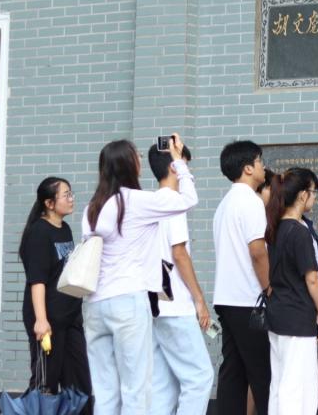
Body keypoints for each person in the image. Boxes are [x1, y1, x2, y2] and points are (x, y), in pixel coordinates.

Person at [82, 135, 198, 414]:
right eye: (137, 158)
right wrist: (178, 161)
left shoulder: (92, 208)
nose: (141, 163)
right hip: (128, 301)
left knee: (105, 392)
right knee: (136, 389)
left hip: (94, 303)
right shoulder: (137, 201)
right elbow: (188, 199)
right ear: (129, 165)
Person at [147, 145, 214, 415]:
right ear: (174, 167)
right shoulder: (173, 203)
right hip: (175, 304)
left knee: (164, 384)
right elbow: (180, 253)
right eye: (184, 163)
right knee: (200, 377)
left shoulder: (150, 203)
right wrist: (199, 300)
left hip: (155, 303)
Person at [19, 178, 92, 410]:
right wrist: (41, 321)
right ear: (49, 203)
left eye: (71, 193)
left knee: (79, 385)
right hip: (48, 322)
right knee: (45, 385)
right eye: (66, 195)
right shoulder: (39, 233)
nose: (71, 199)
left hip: (70, 318)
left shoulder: (65, 228)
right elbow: (37, 281)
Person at [212, 140, 270, 415]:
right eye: (260, 161)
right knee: (262, 373)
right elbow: (257, 252)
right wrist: (270, 288)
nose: (263, 167)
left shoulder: (224, 204)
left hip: (226, 299)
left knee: (233, 373)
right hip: (249, 301)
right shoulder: (251, 201)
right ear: (248, 168)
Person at [264, 167, 318, 415]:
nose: (315, 198)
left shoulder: (275, 227)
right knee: (299, 384)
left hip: (278, 313)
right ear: (302, 195)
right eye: (314, 192)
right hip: (298, 317)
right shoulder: (300, 232)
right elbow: (312, 279)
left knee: (280, 382)